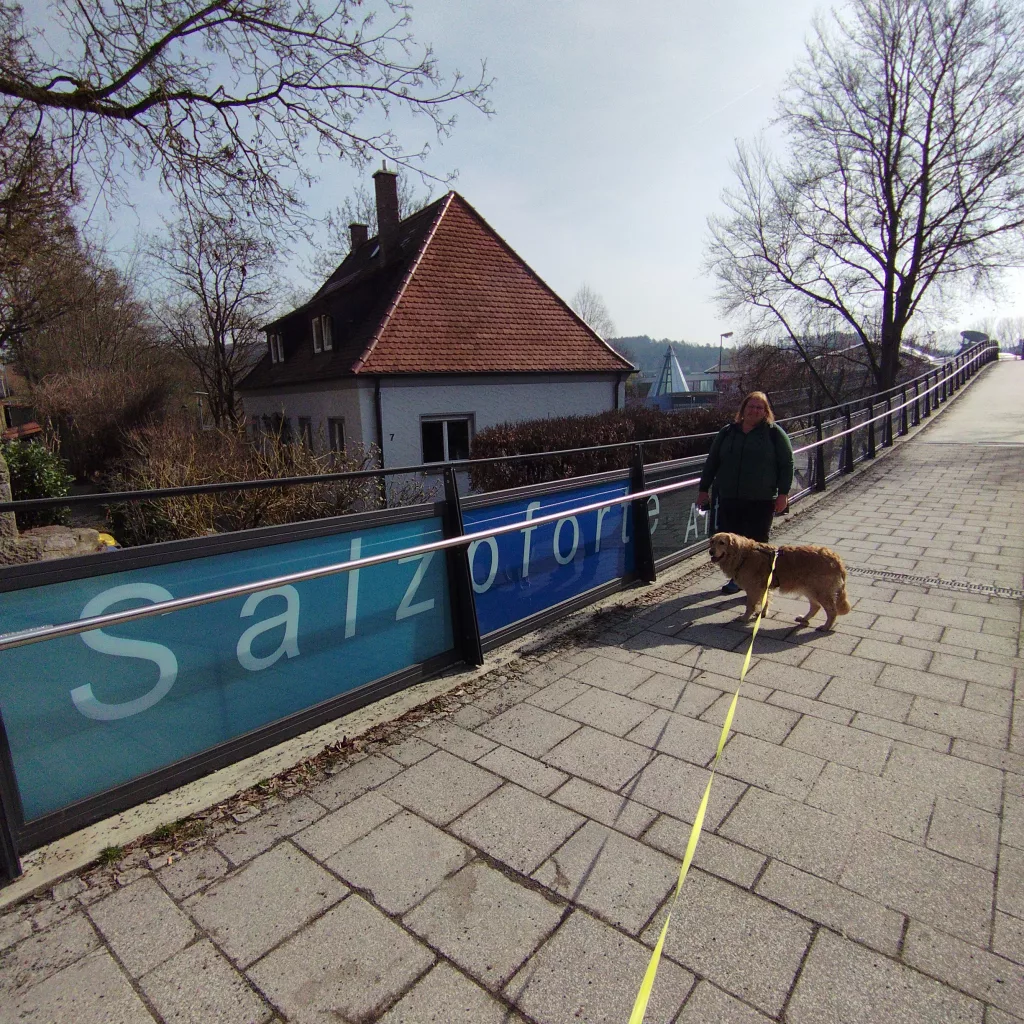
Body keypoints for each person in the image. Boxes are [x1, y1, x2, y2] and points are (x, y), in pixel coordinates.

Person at [697, 391, 794, 594]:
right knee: (732, 544)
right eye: (751, 406)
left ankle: (759, 584)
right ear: (743, 409)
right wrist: (703, 489)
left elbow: (787, 464)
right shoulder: (727, 432)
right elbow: (712, 461)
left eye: (760, 407)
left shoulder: (774, 434)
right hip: (730, 497)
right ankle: (736, 579)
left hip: (761, 498)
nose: (754, 411)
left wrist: (783, 493)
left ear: (766, 412)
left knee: (758, 545)